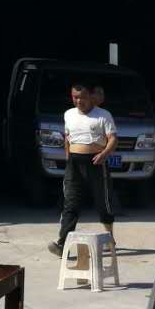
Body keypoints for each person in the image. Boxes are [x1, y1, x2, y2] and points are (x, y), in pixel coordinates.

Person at [48, 83, 117, 256]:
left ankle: (110, 239)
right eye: (75, 97)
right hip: (74, 164)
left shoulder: (103, 115)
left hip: (96, 163)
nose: (79, 101)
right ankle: (62, 243)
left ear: (91, 97)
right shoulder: (69, 114)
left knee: (103, 202)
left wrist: (104, 154)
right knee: (70, 203)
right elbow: (67, 137)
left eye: (83, 97)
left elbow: (113, 139)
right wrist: (68, 156)